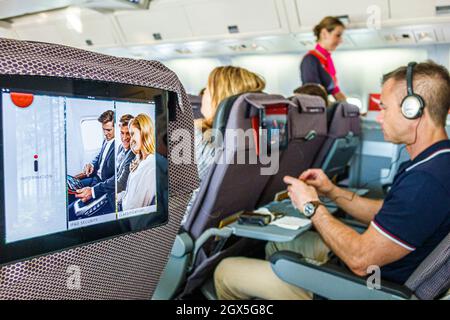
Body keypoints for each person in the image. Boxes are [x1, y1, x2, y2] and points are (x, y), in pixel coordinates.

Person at [214, 61, 450, 300]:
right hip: (373, 274)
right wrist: (331, 190)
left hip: (360, 288)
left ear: (413, 110)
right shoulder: (436, 162)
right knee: (274, 247)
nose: (379, 118)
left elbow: (360, 259)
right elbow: (384, 211)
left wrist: (311, 206)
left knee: (225, 272)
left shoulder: (426, 181)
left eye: (385, 108)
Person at [182, 66, 266, 223]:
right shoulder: (251, 142)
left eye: (207, 88)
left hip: (180, 229)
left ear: (219, 97)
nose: (204, 93)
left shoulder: (197, 139)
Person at [71, 110, 116, 214]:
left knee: (73, 210)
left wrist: (93, 190)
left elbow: (116, 179)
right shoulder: (107, 139)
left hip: (103, 185)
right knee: (70, 191)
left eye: (108, 130)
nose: (105, 133)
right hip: (95, 178)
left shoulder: (120, 146)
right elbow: (100, 155)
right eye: (103, 130)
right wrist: (91, 164)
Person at [300, 16, 347, 102]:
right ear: (324, 33)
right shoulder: (310, 60)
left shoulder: (327, 60)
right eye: (338, 35)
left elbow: (336, 91)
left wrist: (351, 109)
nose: (341, 40)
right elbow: (314, 96)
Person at [118, 113, 156, 211]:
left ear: (144, 133)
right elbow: (130, 192)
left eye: (132, 134)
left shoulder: (150, 165)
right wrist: (120, 197)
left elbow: (133, 207)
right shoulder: (140, 159)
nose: (130, 140)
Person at [116, 114, 136, 193]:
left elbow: (121, 185)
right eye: (122, 133)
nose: (124, 138)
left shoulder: (133, 154)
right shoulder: (121, 147)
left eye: (128, 133)